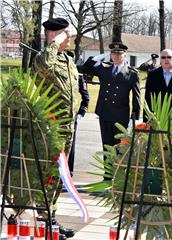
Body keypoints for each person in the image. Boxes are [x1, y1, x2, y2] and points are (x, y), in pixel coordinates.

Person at [33, 17, 79, 239]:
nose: (69, 37)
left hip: (68, 127)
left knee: (61, 175)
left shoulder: (68, 60)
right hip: (52, 126)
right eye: (65, 34)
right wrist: (53, 43)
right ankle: (44, 220)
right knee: (50, 174)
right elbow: (44, 66)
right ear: (54, 35)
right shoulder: (43, 58)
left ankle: (50, 218)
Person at [79, 42, 141, 180]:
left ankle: (118, 175)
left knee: (120, 146)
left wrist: (135, 118)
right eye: (114, 53)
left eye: (119, 53)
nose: (117, 56)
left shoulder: (131, 73)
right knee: (107, 145)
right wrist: (98, 57)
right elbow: (84, 69)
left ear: (125, 55)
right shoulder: (104, 69)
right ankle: (107, 175)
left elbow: (136, 96)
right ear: (110, 55)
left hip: (121, 115)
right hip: (105, 113)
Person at [65, 51, 90, 176]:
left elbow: (86, 97)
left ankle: (69, 171)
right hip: (56, 114)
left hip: (72, 115)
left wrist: (81, 112)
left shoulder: (78, 76)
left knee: (70, 144)